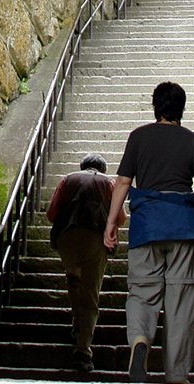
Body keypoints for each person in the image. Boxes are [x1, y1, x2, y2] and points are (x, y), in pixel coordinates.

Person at [104, 82, 194, 384]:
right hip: (183, 225)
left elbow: (122, 182)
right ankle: (176, 375)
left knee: (142, 292)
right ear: (181, 110)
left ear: (155, 107)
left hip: (147, 225)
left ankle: (140, 341)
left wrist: (111, 223)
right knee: (181, 300)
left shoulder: (138, 137)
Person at [48, 153, 114, 374]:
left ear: (82, 166)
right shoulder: (108, 183)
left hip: (67, 238)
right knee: (90, 293)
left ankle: (77, 324)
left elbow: (51, 214)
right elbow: (120, 218)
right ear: (101, 169)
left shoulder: (67, 180)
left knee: (73, 279)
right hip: (95, 238)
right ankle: (83, 351)